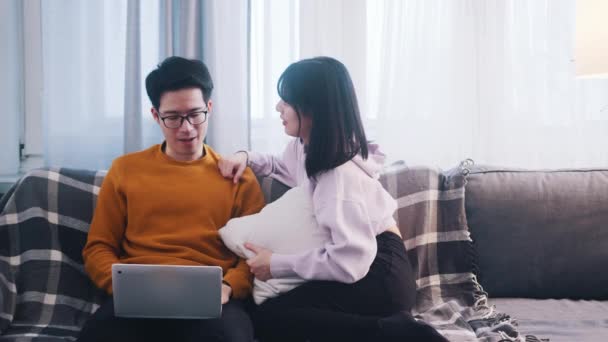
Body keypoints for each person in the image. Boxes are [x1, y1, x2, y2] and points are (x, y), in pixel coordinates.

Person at [219, 56, 448, 342]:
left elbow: (350, 261)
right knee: (269, 315)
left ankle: (403, 333)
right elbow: (281, 166)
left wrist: (276, 263)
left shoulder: (338, 176)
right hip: (365, 262)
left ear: (313, 109)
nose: (278, 108)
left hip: (381, 273)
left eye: (286, 101)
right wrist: (245, 156)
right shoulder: (306, 147)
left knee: (270, 319)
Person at [78, 56, 265, 342]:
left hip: (214, 303)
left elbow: (254, 253)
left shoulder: (239, 178)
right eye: (173, 117)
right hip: (137, 300)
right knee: (97, 334)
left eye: (195, 114)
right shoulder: (125, 170)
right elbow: (98, 248)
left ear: (209, 109)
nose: (187, 128)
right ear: (156, 115)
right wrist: (122, 287)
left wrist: (228, 287)